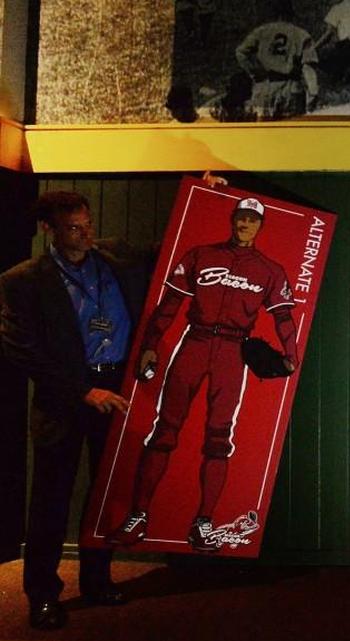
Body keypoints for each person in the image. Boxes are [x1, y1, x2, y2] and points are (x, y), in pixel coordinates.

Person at [107, 197, 297, 553]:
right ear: (232, 220)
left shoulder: (269, 270)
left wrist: (292, 354)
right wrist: (150, 343)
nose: (244, 225)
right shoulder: (200, 255)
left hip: (232, 350)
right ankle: (139, 515)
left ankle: (204, 521)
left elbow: (283, 317)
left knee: (219, 437)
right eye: (240, 218)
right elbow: (170, 305)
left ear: (259, 227)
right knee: (164, 429)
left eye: (252, 220)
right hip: (193, 343)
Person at [0, 192, 148, 630]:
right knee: (51, 501)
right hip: (65, 401)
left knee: (106, 494)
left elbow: (171, 245)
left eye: (86, 224)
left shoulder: (114, 254)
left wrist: (210, 196)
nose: (85, 235)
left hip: (117, 388)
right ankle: (43, 596)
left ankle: (98, 580)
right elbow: (21, 351)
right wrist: (84, 392)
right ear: (49, 229)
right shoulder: (22, 280)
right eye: (73, 228)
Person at [235, 0, 319, 120]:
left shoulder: (261, 31)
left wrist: (254, 72)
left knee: (264, 134)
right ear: (290, 14)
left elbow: (240, 53)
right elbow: (308, 67)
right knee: (291, 133)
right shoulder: (301, 34)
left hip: (264, 87)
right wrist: (313, 91)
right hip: (291, 89)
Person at [314, 0, 350, 83]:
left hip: (349, 49)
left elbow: (328, 35)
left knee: (322, 53)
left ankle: (339, 72)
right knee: (348, 47)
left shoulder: (336, 9)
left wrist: (313, 48)